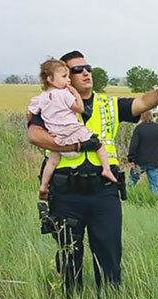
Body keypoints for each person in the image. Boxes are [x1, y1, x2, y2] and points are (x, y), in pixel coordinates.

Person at [27, 50, 158, 297]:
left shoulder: (108, 105)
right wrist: (76, 146)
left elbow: (142, 102)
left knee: (109, 256)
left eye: (87, 67)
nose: (86, 72)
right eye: (77, 70)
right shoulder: (52, 102)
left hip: (104, 192)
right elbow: (34, 135)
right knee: (69, 257)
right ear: (65, 77)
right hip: (67, 194)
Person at [29, 58, 117, 201]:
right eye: (64, 77)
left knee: (52, 162)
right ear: (51, 79)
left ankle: (44, 185)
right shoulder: (64, 94)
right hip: (73, 132)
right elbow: (79, 108)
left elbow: (30, 113)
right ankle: (106, 170)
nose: (68, 81)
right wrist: (75, 93)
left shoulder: (40, 98)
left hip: (57, 138)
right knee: (98, 144)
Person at [128, 111, 158, 194]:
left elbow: (133, 145)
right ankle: (154, 202)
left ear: (141, 117)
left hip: (139, 161)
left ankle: (127, 197)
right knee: (154, 184)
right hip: (154, 161)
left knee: (132, 181)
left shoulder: (139, 128)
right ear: (152, 116)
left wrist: (131, 159)